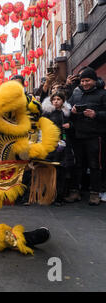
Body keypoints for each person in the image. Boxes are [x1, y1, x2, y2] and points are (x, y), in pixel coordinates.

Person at [65, 68, 106, 205]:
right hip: (78, 135)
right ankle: (74, 191)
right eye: (82, 81)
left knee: (95, 165)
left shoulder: (102, 94)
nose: (84, 83)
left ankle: (95, 193)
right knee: (78, 164)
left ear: (94, 80)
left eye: (87, 80)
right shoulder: (76, 93)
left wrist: (96, 115)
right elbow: (66, 110)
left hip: (95, 136)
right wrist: (72, 111)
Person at [42, 91, 73, 206]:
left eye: (58, 99)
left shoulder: (66, 113)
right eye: (54, 99)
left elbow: (73, 125)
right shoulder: (47, 113)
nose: (56, 101)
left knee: (62, 171)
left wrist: (70, 126)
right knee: (50, 170)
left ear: (63, 101)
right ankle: (49, 194)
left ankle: (59, 196)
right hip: (51, 144)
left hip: (64, 144)